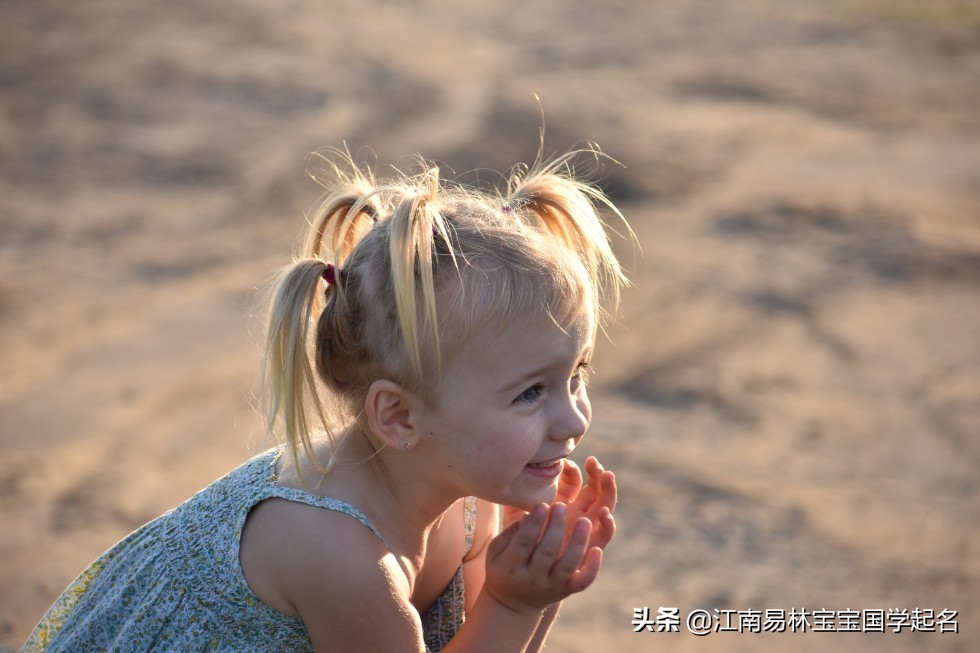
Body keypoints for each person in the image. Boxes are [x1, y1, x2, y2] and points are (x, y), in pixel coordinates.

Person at [24, 146, 630, 652]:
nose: (574, 418)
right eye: (530, 393)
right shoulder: (343, 555)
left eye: (577, 373)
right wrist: (514, 604)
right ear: (399, 416)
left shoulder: (464, 489)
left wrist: (537, 577)